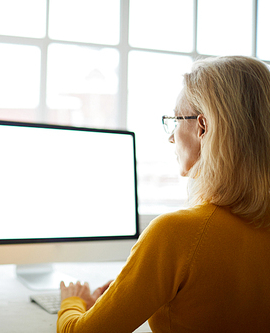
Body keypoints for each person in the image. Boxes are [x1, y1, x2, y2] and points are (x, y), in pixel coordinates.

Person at [57, 55, 270, 332]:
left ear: (202, 127)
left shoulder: (176, 233)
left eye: (175, 120)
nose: (171, 136)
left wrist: (73, 301)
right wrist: (137, 291)